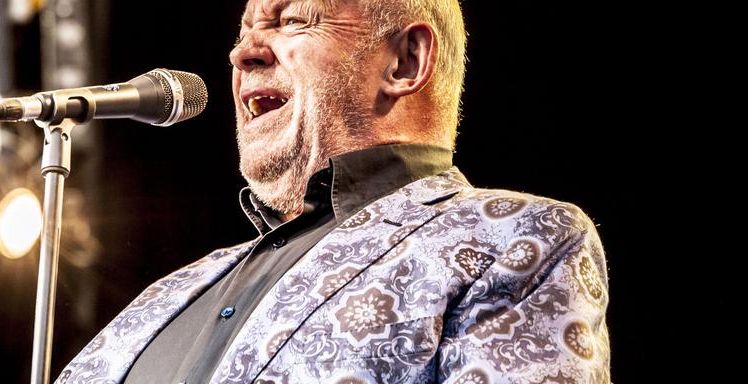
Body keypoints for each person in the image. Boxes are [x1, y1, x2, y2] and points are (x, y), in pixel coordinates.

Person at [57, 0, 610, 383]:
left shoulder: (514, 238)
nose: (242, 54)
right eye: (243, 29)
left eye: (292, 20)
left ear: (405, 60)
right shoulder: (168, 294)